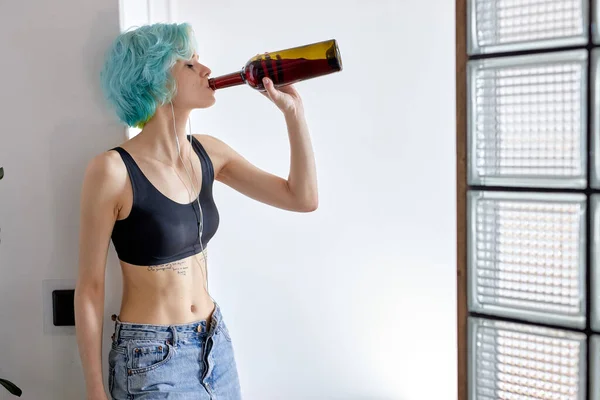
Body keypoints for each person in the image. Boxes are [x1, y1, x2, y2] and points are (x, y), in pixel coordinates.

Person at [74, 22, 318, 400]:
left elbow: (301, 198)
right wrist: (94, 389)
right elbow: (90, 288)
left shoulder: (209, 153)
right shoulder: (111, 171)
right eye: (188, 64)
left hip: (215, 345)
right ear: (155, 80)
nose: (206, 70)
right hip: (152, 358)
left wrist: (293, 113)